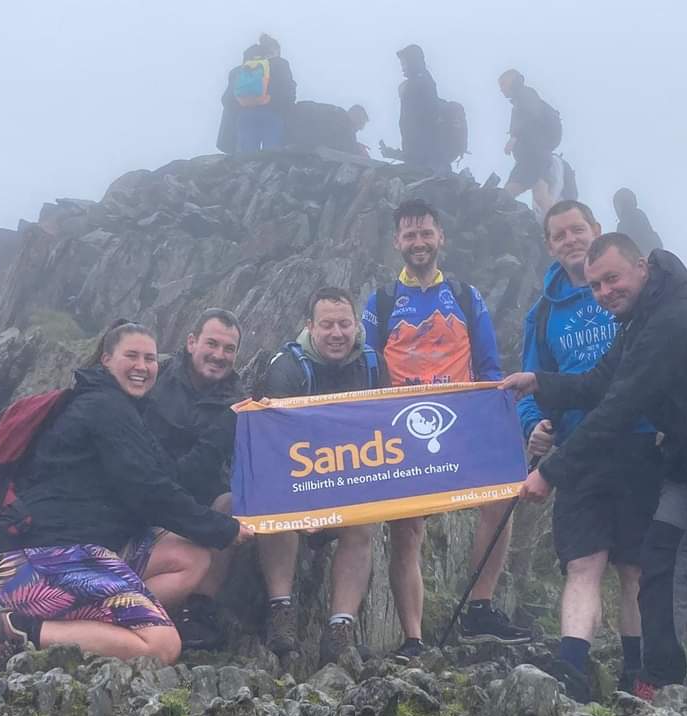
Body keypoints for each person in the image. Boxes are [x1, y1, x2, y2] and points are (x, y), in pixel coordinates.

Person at [502, 234, 687, 710]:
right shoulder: (638, 321)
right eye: (595, 285)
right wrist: (540, 382)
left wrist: (550, 472)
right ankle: (658, 690)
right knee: (660, 567)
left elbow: (620, 406)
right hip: (686, 461)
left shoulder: (676, 318)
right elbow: (600, 382)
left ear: (641, 267)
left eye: (612, 278)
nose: (603, 292)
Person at [0, 321, 252, 671]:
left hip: (87, 549)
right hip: (35, 560)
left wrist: (226, 426)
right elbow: (151, 494)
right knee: (162, 646)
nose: (142, 366)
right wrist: (224, 529)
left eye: (150, 359)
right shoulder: (103, 408)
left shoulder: (128, 412)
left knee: (190, 557)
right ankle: (16, 628)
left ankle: (89, 627)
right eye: (131, 356)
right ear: (106, 359)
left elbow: (173, 478)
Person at [363, 198, 531, 661]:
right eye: (410, 235)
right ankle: (413, 638)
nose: (419, 242)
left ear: (441, 238)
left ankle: (480, 605)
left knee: (501, 499)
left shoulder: (463, 295)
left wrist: (499, 418)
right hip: (402, 429)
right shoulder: (380, 301)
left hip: (461, 423)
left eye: (426, 233)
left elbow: (490, 363)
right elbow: (369, 366)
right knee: (407, 529)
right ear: (397, 242)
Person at [519, 202, 663, 700]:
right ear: (549, 244)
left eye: (577, 229)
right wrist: (534, 427)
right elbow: (534, 388)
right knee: (584, 563)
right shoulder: (541, 315)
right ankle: (572, 673)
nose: (569, 240)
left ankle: (637, 677)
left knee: (635, 567)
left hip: (639, 442)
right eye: (558, 235)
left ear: (596, 232)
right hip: (578, 452)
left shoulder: (635, 298)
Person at [248, 287, 388, 662]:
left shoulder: (374, 365)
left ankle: (340, 628)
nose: (337, 333)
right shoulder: (286, 368)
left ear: (357, 325)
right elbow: (272, 444)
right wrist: (307, 501)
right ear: (310, 327)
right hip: (293, 480)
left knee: (363, 524)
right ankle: (281, 610)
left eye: (344, 324)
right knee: (276, 512)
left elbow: (385, 429)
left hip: (351, 480)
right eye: (327, 325)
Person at [143, 309, 244, 649]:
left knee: (232, 502)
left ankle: (199, 610)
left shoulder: (237, 402)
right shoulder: (152, 378)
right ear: (191, 342)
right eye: (211, 344)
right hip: (144, 496)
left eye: (228, 349)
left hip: (199, 502)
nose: (219, 355)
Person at [499, 69, 563, 217]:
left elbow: (531, 115)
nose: (501, 89)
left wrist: (514, 137)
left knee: (512, 193)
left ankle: (557, 226)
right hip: (535, 156)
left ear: (512, 80)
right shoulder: (521, 99)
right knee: (539, 196)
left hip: (534, 156)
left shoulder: (525, 94)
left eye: (503, 84)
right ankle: (554, 226)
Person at [379, 44, 446, 173]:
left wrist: (411, 155)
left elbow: (421, 126)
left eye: (405, 63)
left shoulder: (420, 84)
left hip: (426, 160)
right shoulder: (421, 82)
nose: (402, 68)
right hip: (423, 157)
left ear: (414, 61)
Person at [232, 35, 297, 154]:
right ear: (275, 50)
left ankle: (246, 171)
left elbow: (227, 99)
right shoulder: (279, 64)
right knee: (271, 155)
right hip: (272, 113)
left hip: (245, 114)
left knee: (246, 158)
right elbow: (288, 91)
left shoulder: (242, 69)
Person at [613, 188, 662, 255]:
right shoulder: (639, 214)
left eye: (616, 205)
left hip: (638, 258)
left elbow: (623, 247)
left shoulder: (625, 221)